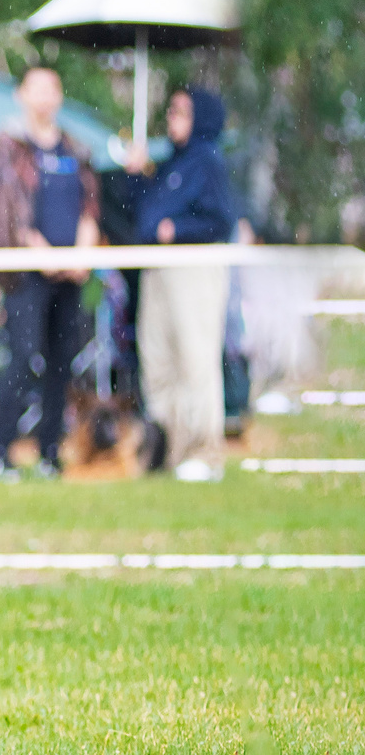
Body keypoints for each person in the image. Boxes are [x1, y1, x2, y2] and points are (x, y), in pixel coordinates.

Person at [0, 66, 101, 482]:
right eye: (37, 89)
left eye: (53, 88)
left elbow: (90, 206)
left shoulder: (75, 150)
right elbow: (0, 210)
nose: (46, 97)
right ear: (21, 95)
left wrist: (81, 253)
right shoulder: (6, 147)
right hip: (26, 274)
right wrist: (39, 251)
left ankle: (49, 453)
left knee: (63, 363)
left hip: (71, 274)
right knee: (23, 358)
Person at [123, 87, 238, 482]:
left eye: (181, 111)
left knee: (195, 358)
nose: (172, 118)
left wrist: (180, 229)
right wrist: (136, 177)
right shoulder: (170, 164)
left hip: (194, 267)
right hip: (158, 268)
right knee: (157, 357)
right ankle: (166, 449)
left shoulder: (206, 162)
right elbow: (140, 219)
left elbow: (222, 220)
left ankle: (204, 451)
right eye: (170, 111)